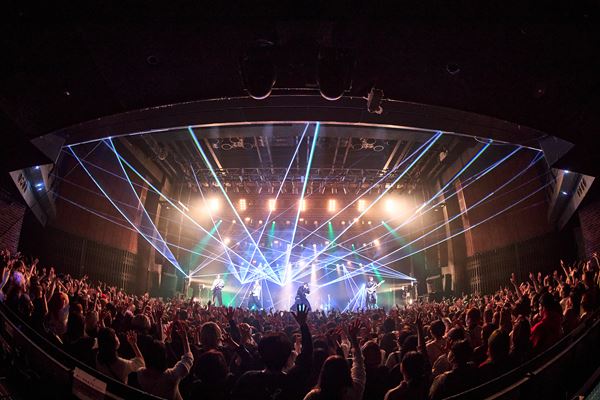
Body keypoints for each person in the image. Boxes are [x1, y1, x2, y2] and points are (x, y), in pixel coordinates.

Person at [303, 319, 365, 400]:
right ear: (346, 371)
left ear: (324, 373)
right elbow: (359, 363)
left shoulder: (313, 396)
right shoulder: (354, 391)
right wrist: (353, 339)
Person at [137, 322, 194, 400]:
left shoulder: (140, 374)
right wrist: (185, 338)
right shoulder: (172, 376)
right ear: (165, 358)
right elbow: (188, 359)